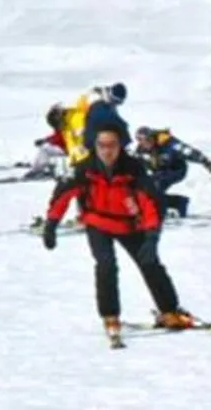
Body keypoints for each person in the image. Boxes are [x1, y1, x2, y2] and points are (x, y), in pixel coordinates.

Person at [43, 123, 194, 343]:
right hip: (98, 222)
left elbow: (151, 203)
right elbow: (63, 195)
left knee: (150, 262)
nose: (107, 151)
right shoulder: (85, 169)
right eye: (102, 145)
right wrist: (51, 224)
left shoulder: (133, 169)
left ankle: (170, 311)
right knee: (106, 265)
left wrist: (152, 237)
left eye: (112, 145)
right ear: (95, 146)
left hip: (129, 225)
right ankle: (110, 316)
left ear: (120, 146)